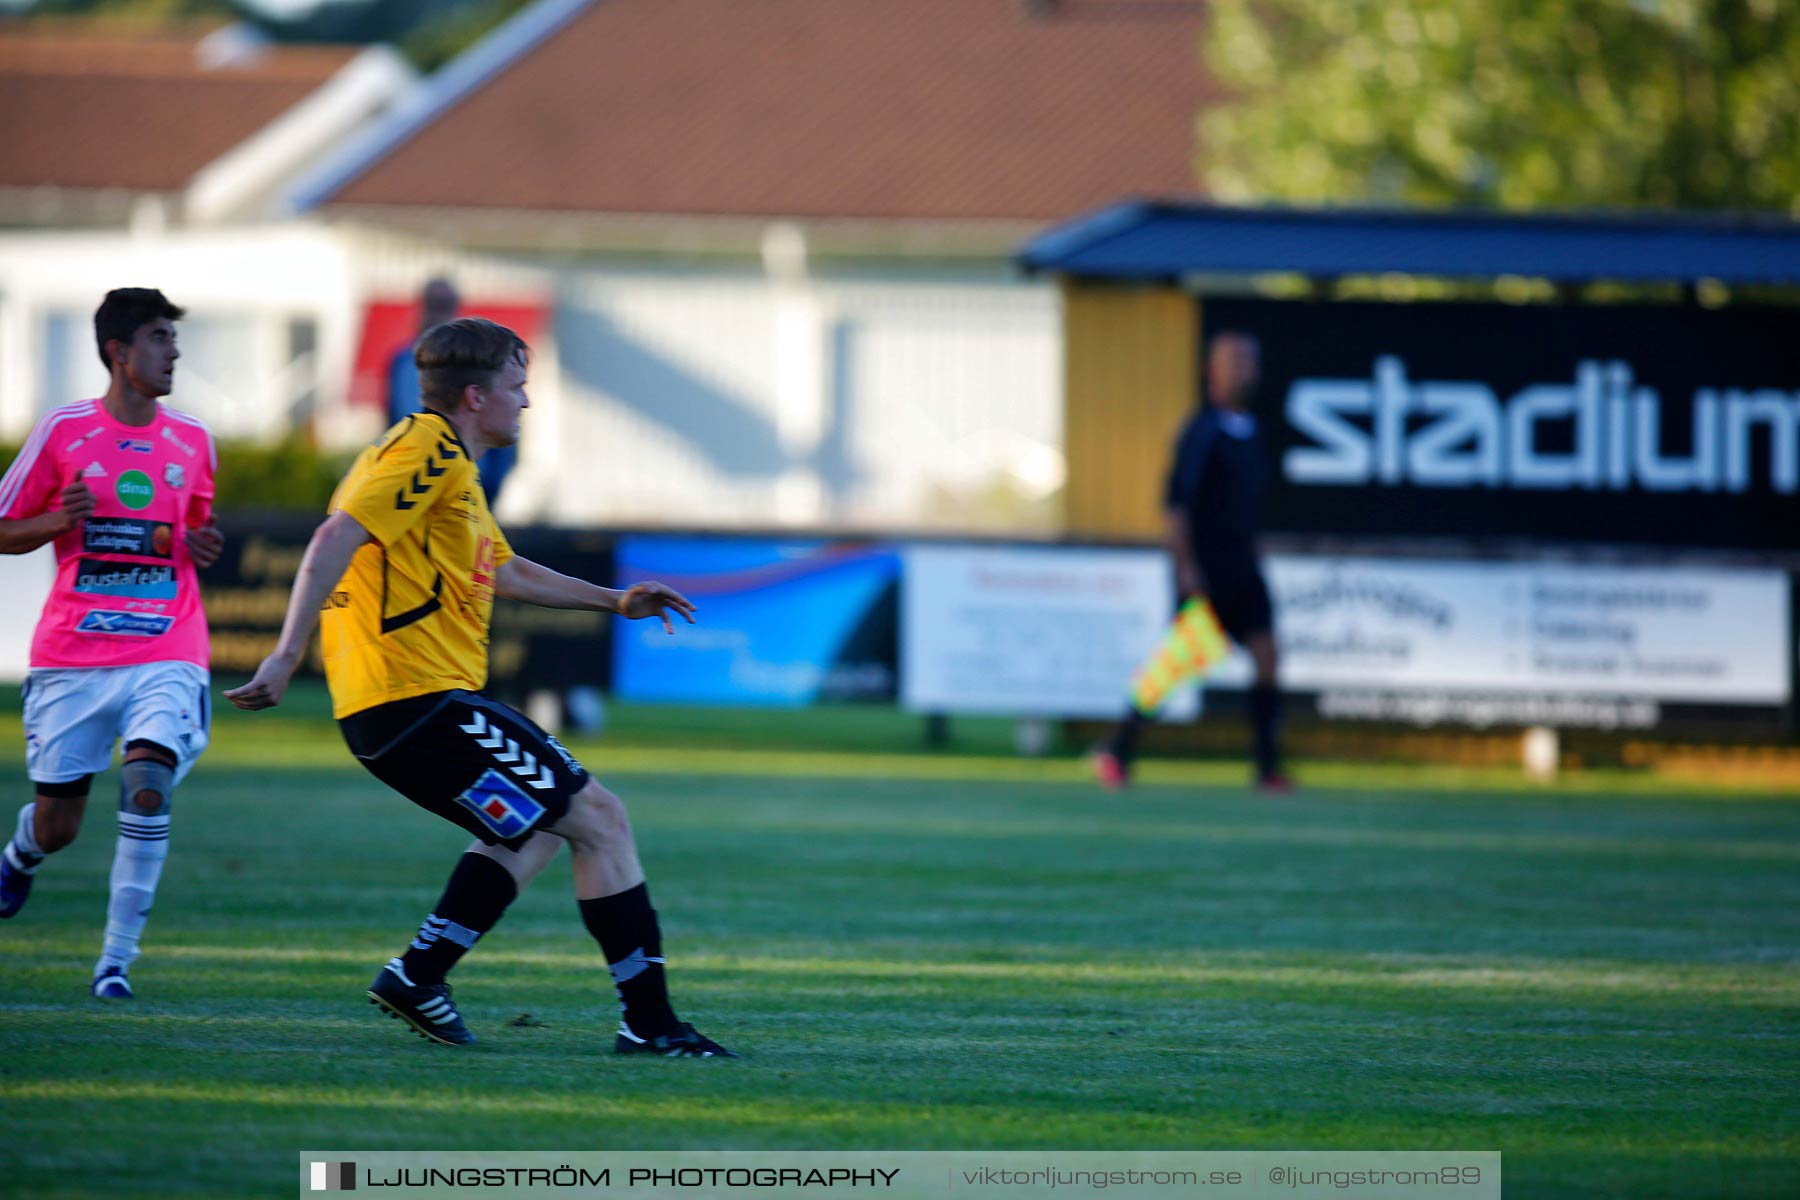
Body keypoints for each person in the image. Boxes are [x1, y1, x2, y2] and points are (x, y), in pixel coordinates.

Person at [227, 317, 734, 1057]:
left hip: (408, 706)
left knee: (530, 831)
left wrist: (613, 600)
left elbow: (509, 570)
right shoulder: (422, 450)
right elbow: (334, 536)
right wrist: (285, 654)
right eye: (517, 387)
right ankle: (650, 1023)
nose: (526, 403)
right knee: (601, 817)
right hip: (415, 698)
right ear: (474, 396)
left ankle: (418, 976)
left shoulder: (453, 469)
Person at [0, 288, 224, 1000]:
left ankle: (114, 964)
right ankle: (21, 854)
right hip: (75, 653)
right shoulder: (62, 432)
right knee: (59, 824)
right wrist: (51, 522)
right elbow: (4, 527)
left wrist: (200, 543)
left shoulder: (193, 440)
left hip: (168, 644)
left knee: (147, 783)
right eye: (160, 338)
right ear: (118, 352)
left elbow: (188, 532)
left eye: (175, 339)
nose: (174, 352)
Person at [1092, 330, 1290, 794]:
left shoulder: (1255, 434)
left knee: (1268, 657)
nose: (1245, 369)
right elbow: (1175, 508)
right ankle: (1116, 750)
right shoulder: (1200, 433)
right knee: (1177, 665)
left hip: (1244, 568)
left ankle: (1266, 770)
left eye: (1250, 361)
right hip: (1206, 570)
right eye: (1234, 360)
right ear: (1212, 370)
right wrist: (1186, 570)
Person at [386, 277, 516, 507]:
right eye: (434, 303)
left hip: (470, 484)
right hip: (415, 482)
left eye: (445, 304)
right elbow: (392, 420)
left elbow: (502, 416)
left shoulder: (476, 363)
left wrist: (490, 484)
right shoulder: (402, 362)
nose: (438, 312)